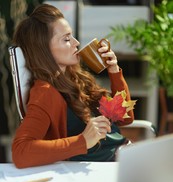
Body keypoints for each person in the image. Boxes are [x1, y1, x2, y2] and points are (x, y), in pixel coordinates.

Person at [11, 3, 134, 168]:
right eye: (66, 39)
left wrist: (114, 71)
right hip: (105, 170)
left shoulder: (76, 77)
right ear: (44, 50)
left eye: (72, 36)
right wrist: (82, 141)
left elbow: (124, 117)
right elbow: (21, 152)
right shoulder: (44, 93)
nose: (76, 43)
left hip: (125, 156)